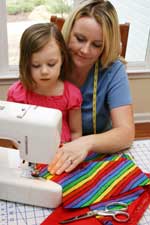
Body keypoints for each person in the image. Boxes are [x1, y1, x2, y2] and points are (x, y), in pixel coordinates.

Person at [48, 0, 135, 175]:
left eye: (97, 45)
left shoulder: (112, 70)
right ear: (68, 31)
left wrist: (85, 143)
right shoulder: (48, 61)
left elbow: (126, 133)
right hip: (50, 154)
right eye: (79, 39)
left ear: (106, 47)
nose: (85, 50)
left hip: (95, 157)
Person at [7, 23, 82, 144]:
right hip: (29, 155)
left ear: (62, 58)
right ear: (26, 63)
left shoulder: (71, 94)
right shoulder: (17, 94)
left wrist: (70, 151)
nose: (44, 71)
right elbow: (13, 133)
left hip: (62, 154)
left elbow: (76, 132)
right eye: (36, 65)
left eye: (51, 64)